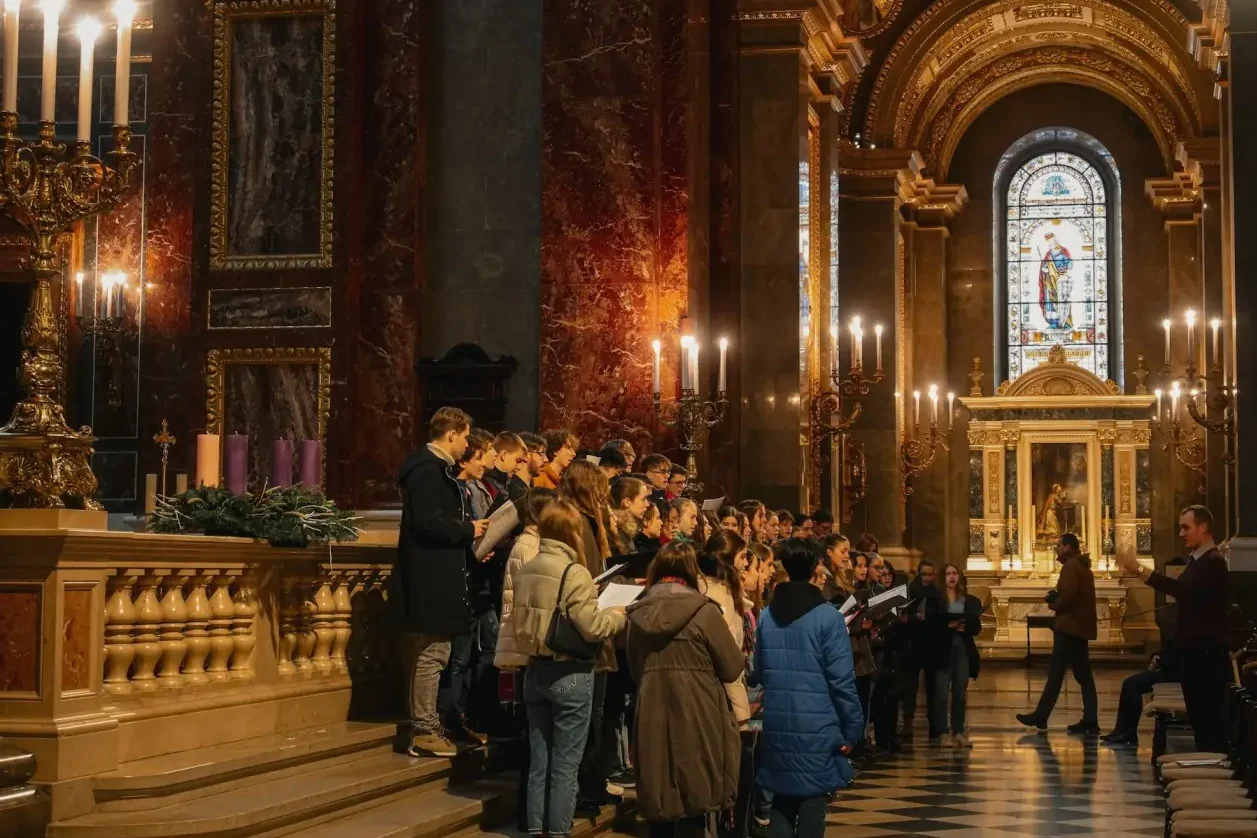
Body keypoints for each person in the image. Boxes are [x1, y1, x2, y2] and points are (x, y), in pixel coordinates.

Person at [510, 497, 627, 838]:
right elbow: (592, 627)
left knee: (538, 763)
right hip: (569, 673)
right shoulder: (573, 571)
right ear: (571, 531)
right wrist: (617, 618)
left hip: (534, 671)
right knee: (565, 766)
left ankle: (535, 829)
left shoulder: (528, 567)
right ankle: (558, 832)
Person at [628, 543, 744, 838]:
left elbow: (633, 667)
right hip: (699, 711)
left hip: (652, 710)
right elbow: (732, 667)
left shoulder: (637, 613)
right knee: (696, 799)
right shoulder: (704, 612)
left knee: (660, 800)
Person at [395, 407, 490, 758]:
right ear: (451, 434)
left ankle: (430, 724)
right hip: (429, 576)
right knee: (432, 653)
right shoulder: (426, 471)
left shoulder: (437, 471)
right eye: (465, 437)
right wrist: (469, 529)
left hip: (441, 573)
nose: (467, 444)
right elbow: (427, 523)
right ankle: (423, 729)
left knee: (439, 651)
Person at [756, 538, 863, 838]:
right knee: (814, 798)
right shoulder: (828, 617)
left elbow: (760, 670)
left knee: (782, 798)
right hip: (817, 723)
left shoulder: (766, 616)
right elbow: (842, 679)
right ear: (816, 568)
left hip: (777, 720)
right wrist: (853, 726)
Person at [1117, 505, 1230, 752]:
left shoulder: (1212, 562)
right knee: (1202, 725)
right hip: (1194, 655)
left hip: (1205, 658)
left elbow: (1182, 591)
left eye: (1186, 527)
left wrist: (1139, 569)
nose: (1181, 533)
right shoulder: (1198, 562)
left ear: (1204, 528)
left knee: (1208, 726)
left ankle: (1210, 775)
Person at [1017, 532, 1098, 735]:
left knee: (1056, 674)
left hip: (1069, 628)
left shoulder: (1071, 566)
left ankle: (1041, 716)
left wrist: (1054, 602)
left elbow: (1069, 595)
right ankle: (1090, 719)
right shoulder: (1082, 566)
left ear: (1068, 547)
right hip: (1078, 628)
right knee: (1083, 676)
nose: (1056, 549)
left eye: (1059, 545)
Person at [927, 563, 982, 747]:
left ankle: (958, 731)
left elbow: (976, 628)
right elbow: (930, 624)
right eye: (948, 573)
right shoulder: (936, 599)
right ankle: (943, 733)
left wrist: (967, 625)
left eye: (955, 573)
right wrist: (948, 626)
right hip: (943, 649)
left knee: (960, 692)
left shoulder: (967, 600)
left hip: (962, 648)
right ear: (943, 577)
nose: (952, 577)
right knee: (942, 693)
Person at [1100, 647, 1175, 747]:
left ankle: (1127, 732)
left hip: (1177, 674)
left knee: (1132, 684)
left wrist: (1160, 661)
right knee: (1130, 683)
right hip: (1171, 668)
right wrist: (1157, 657)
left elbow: (1179, 654)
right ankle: (1122, 731)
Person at [901, 559, 938, 741]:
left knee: (932, 686)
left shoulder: (936, 592)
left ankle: (934, 723)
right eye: (924, 574)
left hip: (930, 644)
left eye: (930, 574)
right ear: (919, 573)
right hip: (912, 643)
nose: (927, 578)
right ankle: (908, 721)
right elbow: (902, 614)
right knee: (910, 686)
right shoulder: (910, 590)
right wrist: (915, 617)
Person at [486, 432, 528, 502]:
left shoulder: (505, 484)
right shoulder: (487, 485)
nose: (519, 467)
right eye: (518, 461)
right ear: (504, 455)